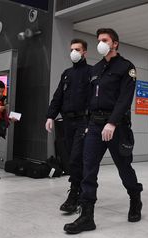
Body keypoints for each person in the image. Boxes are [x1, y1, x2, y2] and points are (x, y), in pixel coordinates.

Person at [64, 28, 143, 234]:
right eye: (99, 40)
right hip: (95, 126)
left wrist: (113, 122)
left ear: (115, 43)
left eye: (105, 40)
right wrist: (87, 122)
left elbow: (125, 98)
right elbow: (90, 97)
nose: (101, 43)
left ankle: (135, 198)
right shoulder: (95, 69)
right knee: (88, 169)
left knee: (124, 168)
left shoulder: (126, 67)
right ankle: (87, 216)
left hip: (116, 127)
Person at [45, 38, 91, 213]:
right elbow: (58, 97)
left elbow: (94, 100)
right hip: (67, 122)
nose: (74, 52)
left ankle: (75, 194)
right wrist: (50, 116)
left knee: (77, 158)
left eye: (77, 49)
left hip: (83, 122)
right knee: (71, 158)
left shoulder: (91, 72)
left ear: (84, 52)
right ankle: (80, 190)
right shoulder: (66, 74)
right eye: (71, 49)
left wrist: (90, 121)